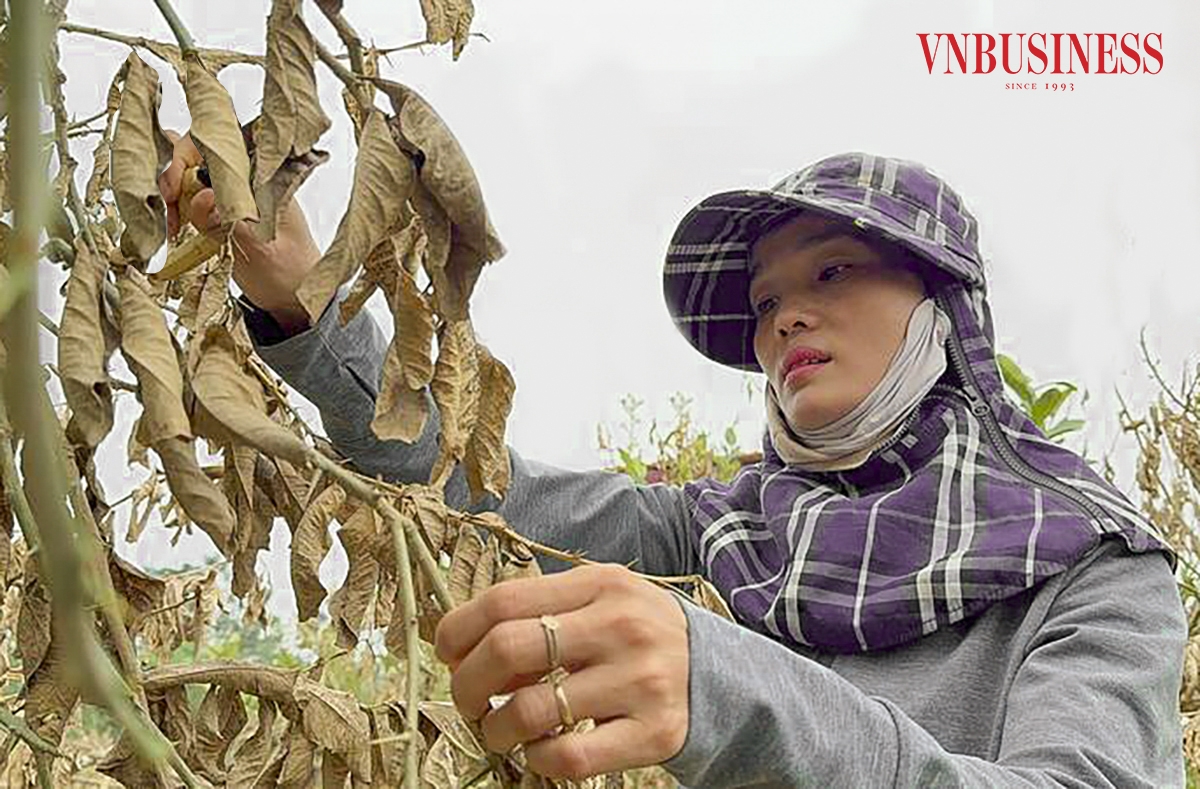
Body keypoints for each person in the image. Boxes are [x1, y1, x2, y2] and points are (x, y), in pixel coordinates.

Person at [159, 141, 1188, 787]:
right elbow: (471, 484)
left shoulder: (1094, 565)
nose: (785, 314)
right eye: (763, 302)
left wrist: (730, 685)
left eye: (833, 270)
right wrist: (304, 292)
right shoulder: (727, 529)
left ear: (942, 307)